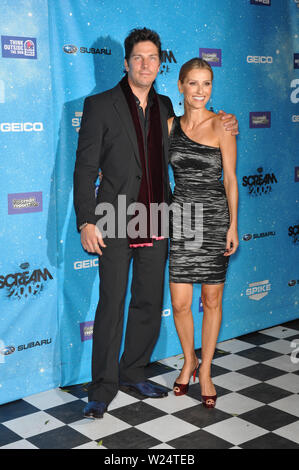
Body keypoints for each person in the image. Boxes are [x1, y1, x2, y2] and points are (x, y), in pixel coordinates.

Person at [74, 28, 239, 419]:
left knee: (148, 301)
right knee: (112, 303)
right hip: (114, 219)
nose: (146, 64)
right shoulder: (99, 105)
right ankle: (102, 387)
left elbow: (199, 124)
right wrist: (86, 220)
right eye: (138, 58)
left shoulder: (167, 106)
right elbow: (84, 169)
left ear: (160, 64)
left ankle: (133, 371)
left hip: (159, 218)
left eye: (153, 58)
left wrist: (225, 119)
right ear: (126, 62)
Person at [168, 58, 238, 409]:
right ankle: (188, 360)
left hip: (213, 221)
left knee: (211, 300)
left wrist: (233, 225)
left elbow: (230, 179)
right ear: (180, 85)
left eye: (206, 83)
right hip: (181, 220)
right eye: (193, 83)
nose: (200, 91)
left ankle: (206, 369)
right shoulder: (169, 126)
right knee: (180, 304)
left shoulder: (223, 125)